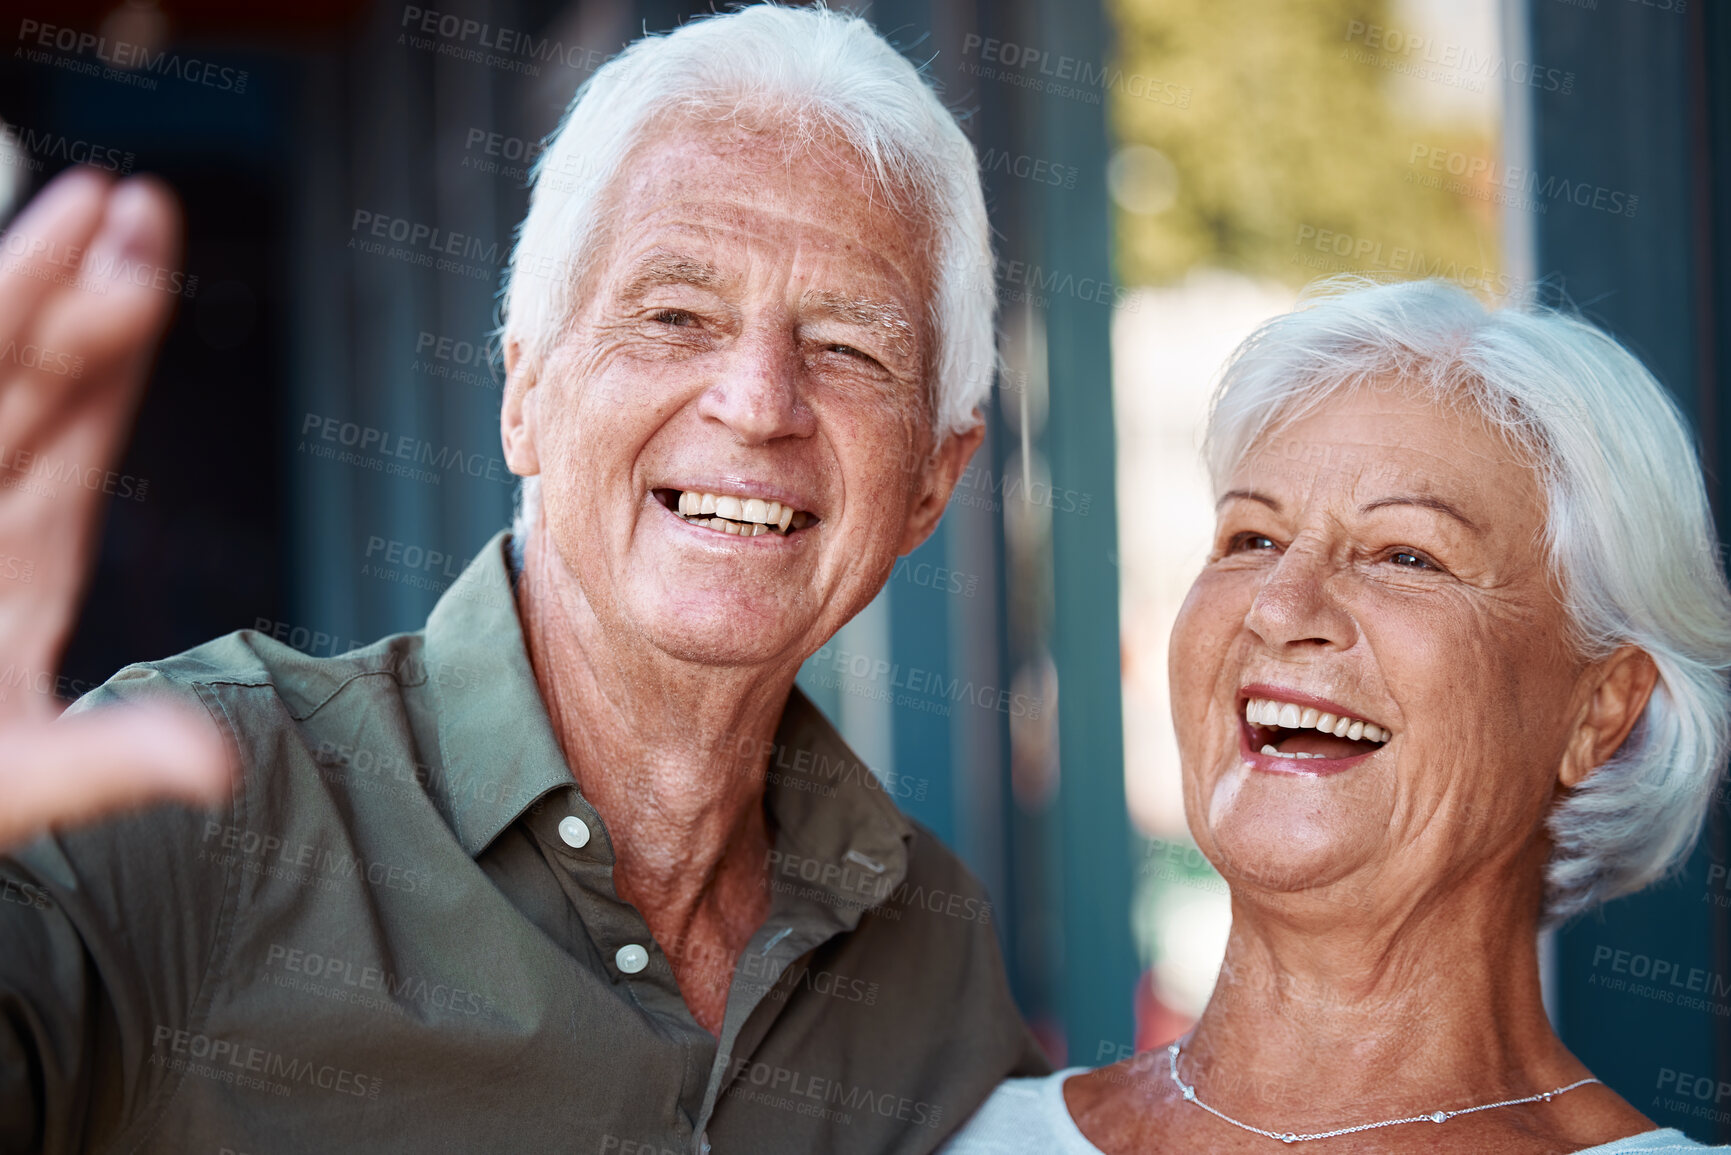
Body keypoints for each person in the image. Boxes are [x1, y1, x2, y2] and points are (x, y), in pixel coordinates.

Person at [0, 6, 1048, 1153]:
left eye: (847, 346)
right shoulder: (198, 811)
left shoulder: (930, 948)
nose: (757, 402)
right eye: (674, 314)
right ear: (524, 395)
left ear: (934, 482)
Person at [945, 278, 1731, 1153]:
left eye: (1407, 555)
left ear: (1600, 708)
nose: (1278, 608)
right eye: (1251, 539)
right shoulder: (945, 1138)